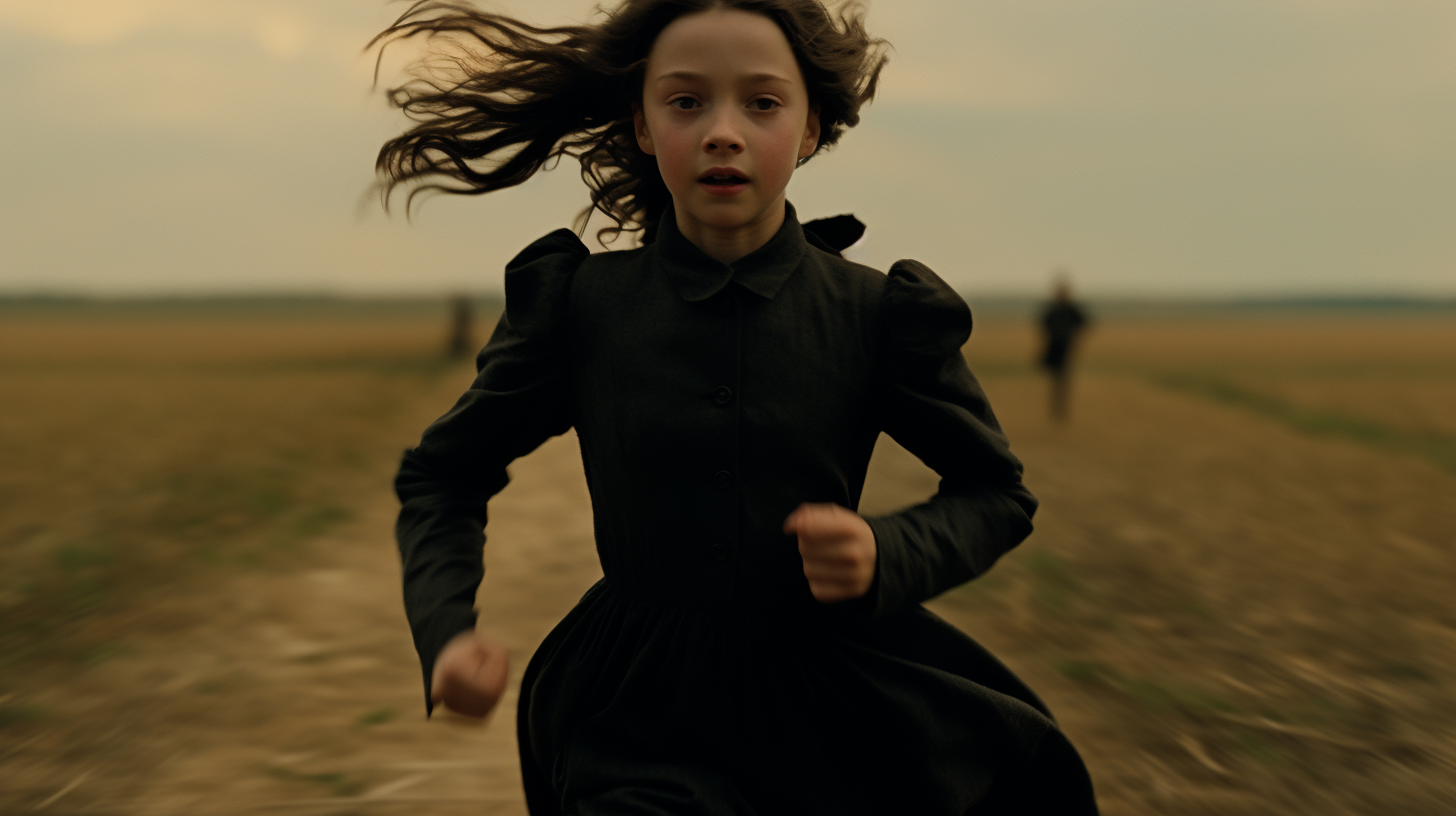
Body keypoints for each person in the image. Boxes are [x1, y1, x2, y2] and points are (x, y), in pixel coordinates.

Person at [375, 1, 1098, 813]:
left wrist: (885, 552)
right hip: (634, 711)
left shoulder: (877, 315)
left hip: (831, 709)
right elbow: (444, 474)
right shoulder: (580, 306)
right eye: (686, 101)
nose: (724, 131)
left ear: (812, 128)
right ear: (644, 127)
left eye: (762, 102)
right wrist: (445, 633)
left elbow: (996, 493)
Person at [1038, 277, 1090, 422]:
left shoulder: (1071, 310)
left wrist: (1074, 339)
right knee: (1057, 379)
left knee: (1062, 379)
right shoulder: (1053, 310)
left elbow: (1083, 323)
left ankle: (1059, 410)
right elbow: (1044, 325)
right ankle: (1057, 409)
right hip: (1054, 348)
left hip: (1066, 349)